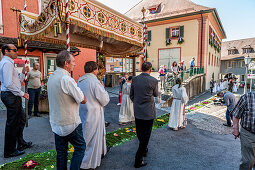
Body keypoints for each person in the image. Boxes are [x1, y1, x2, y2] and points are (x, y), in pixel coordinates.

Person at [47, 50, 86, 170]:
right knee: (80, 147)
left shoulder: (52, 76)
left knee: (61, 152)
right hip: (70, 122)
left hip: (56, 122)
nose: (74, 64)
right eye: (73, 61)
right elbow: (82, 99)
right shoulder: (66, 79)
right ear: (66, 63)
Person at [0, 44, 32, 158]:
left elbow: (18, 81)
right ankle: (9, 150)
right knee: (12, 123)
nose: (17, 52)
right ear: (6, 51)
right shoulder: (7, 63)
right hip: (10, 95)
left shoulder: (10, 63)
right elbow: (9, 84)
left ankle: (20, 143)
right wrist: (22, 94)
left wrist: (23, 72)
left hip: (12, 95)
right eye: (14, 50)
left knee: (21, 119)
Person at [78, 61, 110, 169]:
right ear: (94, 70)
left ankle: (99, 152)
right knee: (92, 139)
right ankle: (87, 163)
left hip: (83, 111)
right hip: (95, 113)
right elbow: (104, 100)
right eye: (97, 69)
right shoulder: (95, 82)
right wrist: (103, 87)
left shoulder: (80, 80)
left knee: (85, 134)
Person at [130, 62, 158, 168]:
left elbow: (131, 95)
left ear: (141, 69)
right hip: (149, 111)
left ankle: (144, 149)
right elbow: (155, 94)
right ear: (150, 69)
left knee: (139, 132)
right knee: (146, 135)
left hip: (138, 110)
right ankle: (138, 159)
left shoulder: (135, 79)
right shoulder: (154, 80)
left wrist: (137, 102)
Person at [231, 92, 255, 169]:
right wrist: (235, 129)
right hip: (248, 134)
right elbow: (236, 114)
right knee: (248, 161)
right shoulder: (247, 97)